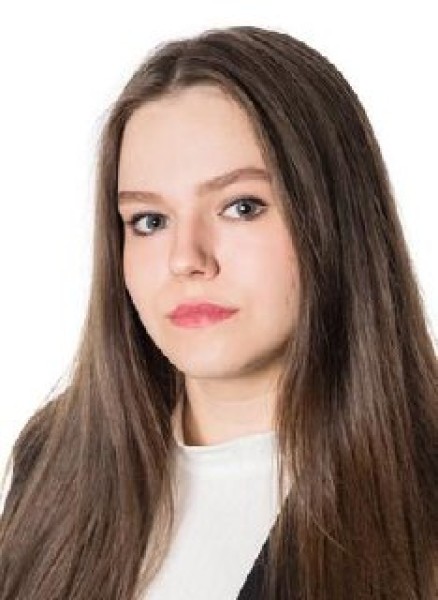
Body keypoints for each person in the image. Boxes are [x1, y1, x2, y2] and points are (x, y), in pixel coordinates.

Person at [1, 25, 437, 600]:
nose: (187, 258)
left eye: (241, 207)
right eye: (149, 221)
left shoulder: (423, 495)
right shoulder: (55, 462)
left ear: (334, 216)